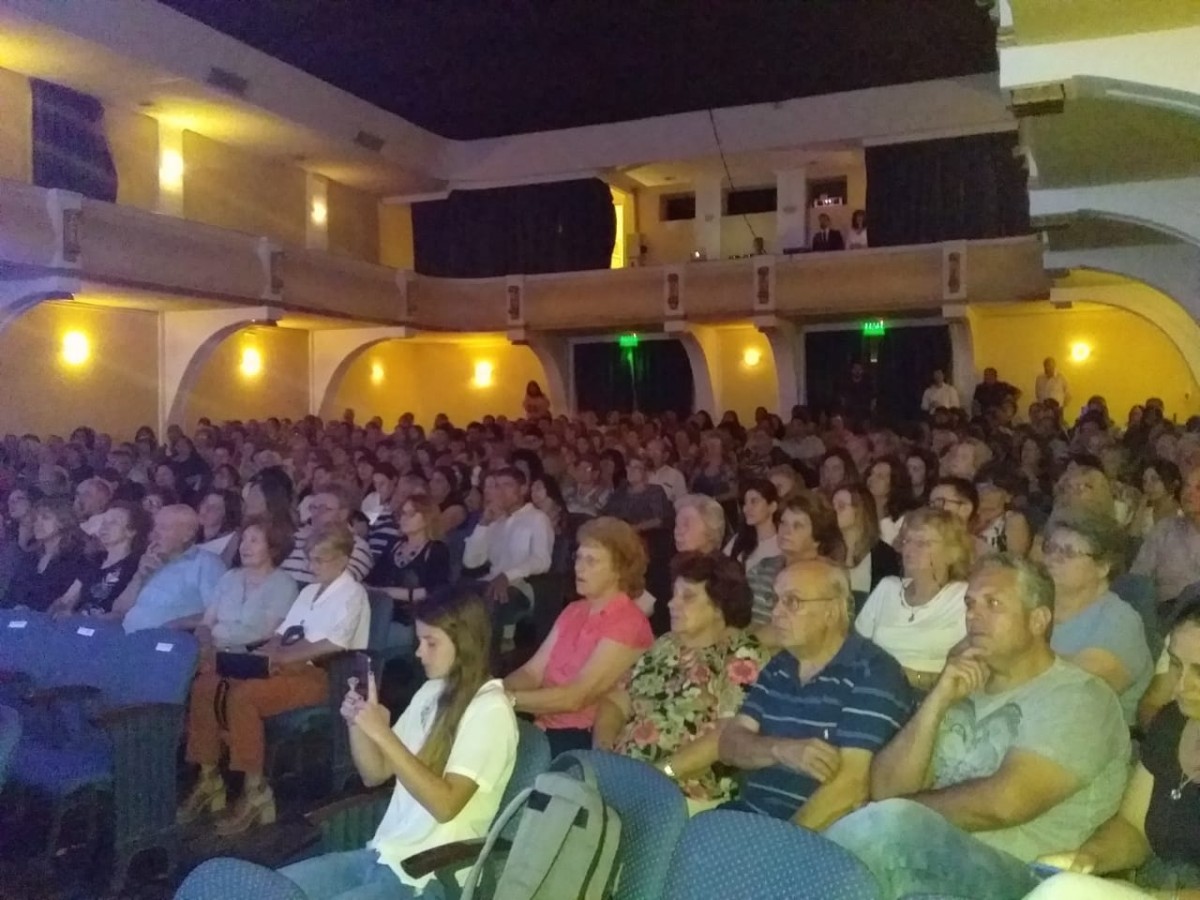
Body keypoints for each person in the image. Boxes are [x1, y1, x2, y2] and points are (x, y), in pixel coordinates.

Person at [825, 554, 1130, 900]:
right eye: (970, 603)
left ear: (1038, 620)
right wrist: (937, 700)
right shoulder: (964, 686)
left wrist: (898, 813)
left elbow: (1005, 804)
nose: (973, 615)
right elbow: (884, 790)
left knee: (885, 829)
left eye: (993, 604)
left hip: (1023, 880)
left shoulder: (1080, 698)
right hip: (924, 865)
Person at [277, 589, 517, 900]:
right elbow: (374, 773)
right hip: (381, 856)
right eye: (420, 641)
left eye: (431, 642)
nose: (419, 653)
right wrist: (359, 724)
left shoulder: (490, 711)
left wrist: (383, 734)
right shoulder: (432, 692)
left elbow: (445, 806)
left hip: (429, 877)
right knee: (269, 888)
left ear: (466, 644)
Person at [180, 525, 370, 835]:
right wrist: (259, 657)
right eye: (311, 559)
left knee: (244, 696)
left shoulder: (353, 593)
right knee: (207, 684)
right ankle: (209, 778)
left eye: (322, 560)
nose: (314, 566)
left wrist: (280, 658)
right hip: (286, 665)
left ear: (343, 559)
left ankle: (256, 791)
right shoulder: (309, 591)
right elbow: (282, 635)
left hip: (323, 675)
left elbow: (334, 645)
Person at [717, 559, 912, 829]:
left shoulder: (874, 672)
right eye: (776, 600)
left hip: (816, 840)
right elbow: (728, 746)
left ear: (831, 612)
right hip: (746, 816)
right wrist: (780, 749)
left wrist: (781, 843)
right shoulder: (780, 666)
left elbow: (851, 787)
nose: (775, 613)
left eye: (792, 601)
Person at [1035, 598, 1200, 895]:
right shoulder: (1172, 724)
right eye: (1176, 665)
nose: (1181, 685)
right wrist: (1088, 858)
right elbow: (1133, 827)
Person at [594, 553, 770, 814]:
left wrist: (660, 773)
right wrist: (603, 749)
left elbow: (726, 736)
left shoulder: (742, 655)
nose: (672, 604)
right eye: (674, 594)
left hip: (683, 790)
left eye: (687, 597)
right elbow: (615, 701)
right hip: (624, 778)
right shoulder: (667, 644)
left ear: (720, 606)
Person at [503, 517, 653, 757]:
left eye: (591, 561)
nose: (579, 567)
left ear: (619, 570)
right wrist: (495, 690)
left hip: (583, 737)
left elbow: (576, 697)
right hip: (542, 724)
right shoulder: (574, 610)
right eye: (579, 558)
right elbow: (533, 672)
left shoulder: (629, 622)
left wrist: (506, 701)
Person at [1043, 511, 1153, 725]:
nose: (1053, 558)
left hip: (1085, 739)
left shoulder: (1120, 622)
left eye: (1068, 552)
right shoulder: (1033, 606)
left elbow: (1077, 690)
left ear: (1103, 567)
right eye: (1050, 548)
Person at [855, 507, 972, 691]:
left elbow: (969, 668)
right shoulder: (888, 587)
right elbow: (857, 648)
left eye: (922, 543)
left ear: (952, 552)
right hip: (872, 688)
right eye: (907, 540)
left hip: (927, 697)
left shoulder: (965, 597)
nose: (909, 549)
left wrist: (906, 677)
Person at [462, 466, 554, 636]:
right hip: (489, 581)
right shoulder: (496, 520)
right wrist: (483, 523)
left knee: (491, 601)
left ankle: (494, 656)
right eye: (497, 486)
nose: (501, 491)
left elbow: (542, 560)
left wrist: (507, 575)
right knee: (452, 598)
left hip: (522, 585)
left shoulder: (537, 518)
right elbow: (471, 561)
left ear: (523, 489)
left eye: (507, 485)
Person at [111, 504, 227, 632]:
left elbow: (219, 613)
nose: (155, 533)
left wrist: (174, 626)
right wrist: (139, 576)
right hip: (126, 640)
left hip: (167, 644)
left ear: (187, 535)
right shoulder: (151, 560)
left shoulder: (206, 563)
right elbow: (118, 610)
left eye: (163, 528)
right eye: (155, 526)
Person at [196, 516, 299, 652]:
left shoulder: (283, 584)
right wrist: (204, 643)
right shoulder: (229, 577)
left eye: (254, 541)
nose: (245, 546)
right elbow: (207, 622)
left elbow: (268, 635)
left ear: (273, 548)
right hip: (213, 649)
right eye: (243, 539)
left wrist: (233, 653)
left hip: (251, 655)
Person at [369, 495, 452, 651]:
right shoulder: (394, 544)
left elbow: (438, 590)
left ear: (427, 518)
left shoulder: (436, 549)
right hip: (379, 613)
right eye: (402, 514)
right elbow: (372, 579)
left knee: (365, 638)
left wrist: (392, 593)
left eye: (411, 514)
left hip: (412, 619)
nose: (404, 519)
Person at [50, 500, 150, 617]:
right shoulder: (94, 561)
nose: (104, 526)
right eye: (104, 521)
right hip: (74, 626)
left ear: (131, 532)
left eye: (114, 522)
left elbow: (121, 613)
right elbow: (67, 598)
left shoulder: (134, 565)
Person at [3, 498, 89, 613]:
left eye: (46, 518)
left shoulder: (76, 559)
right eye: (36, 519)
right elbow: (10, 594)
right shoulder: (30, 557)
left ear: (63, 522)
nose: (38, 523)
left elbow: (64, 600)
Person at [1131, 466, 1200, 606]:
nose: (1188, 493)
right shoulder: (1165, 529)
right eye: (1187, 486)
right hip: (1167, 614)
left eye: (1199, 488)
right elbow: (1138, 577)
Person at [281, 485, 374, 585]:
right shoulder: (296, 536)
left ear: (343, 514)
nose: (315, 513)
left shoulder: (356, 547)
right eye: (313, 507)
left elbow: (338, 586)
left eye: (324, 509)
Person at [833, 485, 902, 613]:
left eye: (841, 506)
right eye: (832, 505)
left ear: (860, 510)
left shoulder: (884, 555)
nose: (834, 510)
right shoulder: (825, 549)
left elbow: (888, 603)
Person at [725, 480, 784, 625]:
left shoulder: (782, 544)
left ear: (772, 506)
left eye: (754, 502)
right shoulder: (738, 541)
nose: (747, 508)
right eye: (745, 503)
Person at [601, 455, 671, 534]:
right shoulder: (621, 490)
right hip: (616, 533)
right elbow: (607, 511)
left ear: (647, 472)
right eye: (629, 467)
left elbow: (658, 520)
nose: (631, 470)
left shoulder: (655, 491)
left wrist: (634, 528)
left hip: (644, 535)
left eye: (636, 468)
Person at [973, 466, 1033, 558]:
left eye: (992, 489)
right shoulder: (967, 516)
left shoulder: (1013, 520)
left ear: (1008, 497)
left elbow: (1015, 559)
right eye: (980, 487)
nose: (984, 493)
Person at [777, 492, 844, 566]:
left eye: (798, 526)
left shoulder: (826, 573)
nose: (786, 531)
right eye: (783, 522)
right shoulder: (766, 565)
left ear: (817, 538)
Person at [865, 455, 916, 546]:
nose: (871, 479)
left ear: (894, 483)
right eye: (871, 474)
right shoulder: (862, 511)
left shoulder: (905, 518)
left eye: (880, 476)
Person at [1135, 459, 1182, 541]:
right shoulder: (1145, 513)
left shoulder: (1183, 514)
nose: (1148, 486)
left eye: (1154, 480)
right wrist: (1141, 507)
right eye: (1144, 481)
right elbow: (1132, 540)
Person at [197, 488, 243, 566]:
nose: (206, 510)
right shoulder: (191, 535)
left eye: (214, 507)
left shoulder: (233, 542)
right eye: (204, 503)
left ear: (226, 515)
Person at [645, 438, 687, 503]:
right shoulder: (640, 474)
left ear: (665, 456)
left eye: (655, 453)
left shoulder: (675, 476)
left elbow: (682, 503)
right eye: (649, 450)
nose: (651, 455)